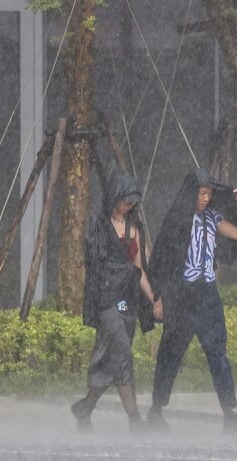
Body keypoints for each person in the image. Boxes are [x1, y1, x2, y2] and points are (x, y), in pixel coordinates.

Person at [145, 168, 237, 433]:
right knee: (170, 353)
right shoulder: (177, 221)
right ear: (192, 193)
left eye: (209, 194)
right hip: (182, 295)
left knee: (218, 354)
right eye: (202, 193)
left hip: (207, 295)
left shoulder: (212, 219)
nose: (205, 199)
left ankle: (230, 413)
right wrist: (158, 296)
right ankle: (156, 410)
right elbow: (161, 259)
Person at [71, 173, 158, 433]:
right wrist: (114, 279)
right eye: (125, 200)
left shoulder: (136, 227)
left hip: (128, 301)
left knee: (111, 361)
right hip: (108, 299)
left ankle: (86, 407)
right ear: (114, 198)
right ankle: (135, 421)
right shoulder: (98, 225)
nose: (129, 205)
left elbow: (139, 267)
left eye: (133, 201)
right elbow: (96, 265)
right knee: (122, 351)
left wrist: (153, 297)